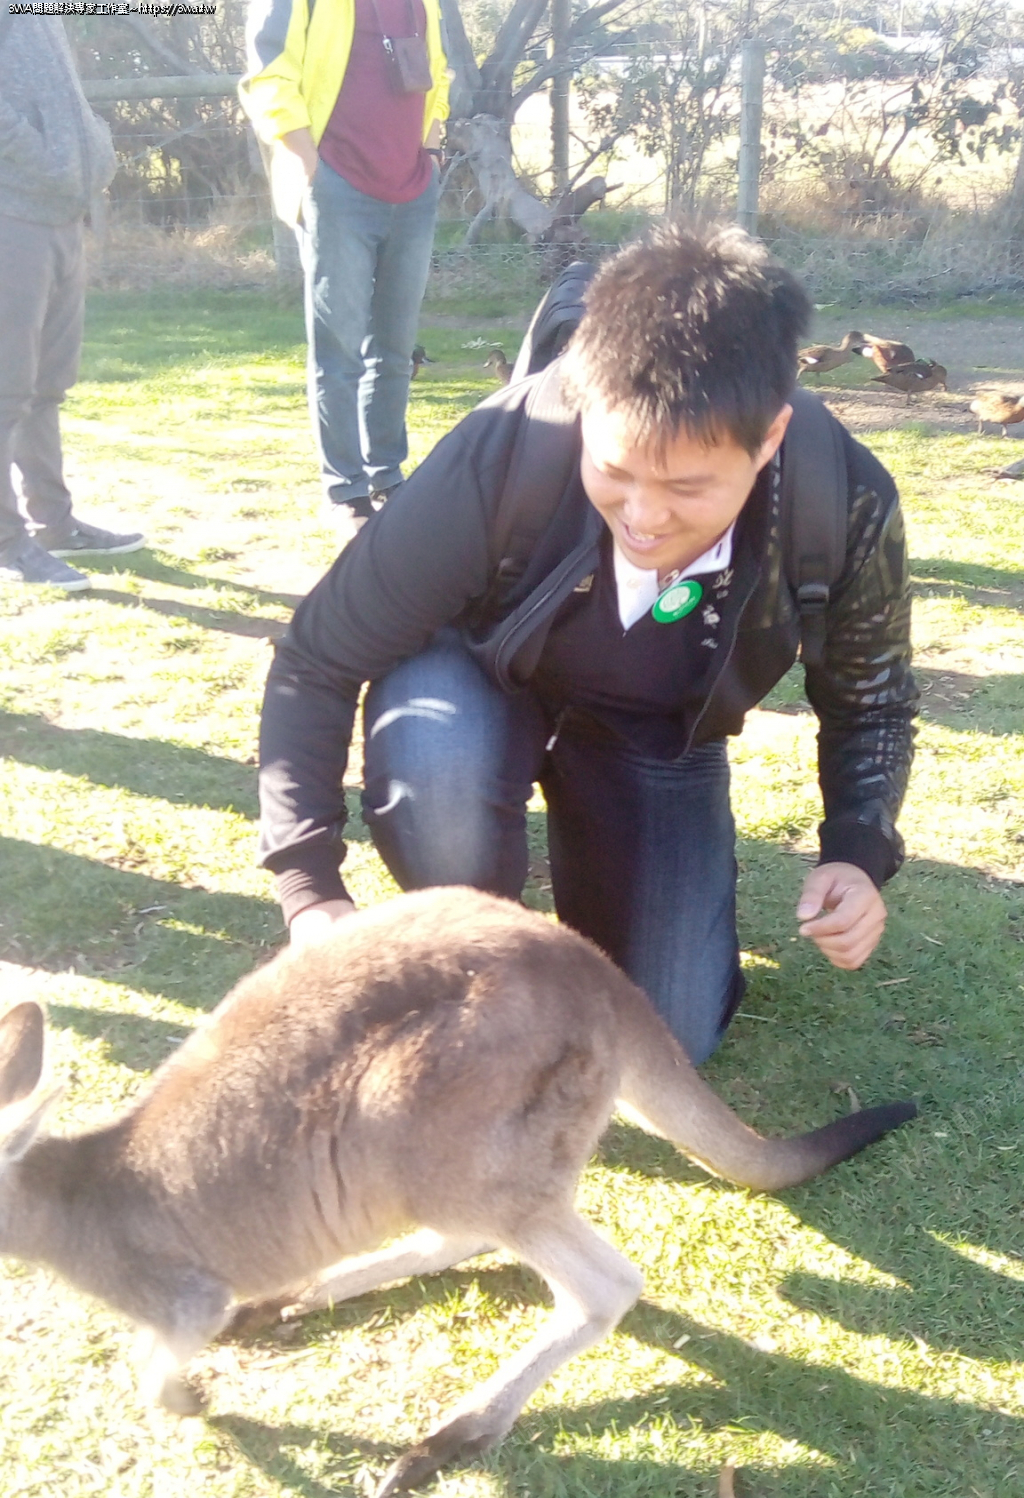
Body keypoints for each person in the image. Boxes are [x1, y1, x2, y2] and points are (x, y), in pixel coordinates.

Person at [257, 223, 917, 1065]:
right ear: (585, 406)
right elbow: (315, 658)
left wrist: (857, 851)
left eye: (687, 486)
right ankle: (479, 953)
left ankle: (608, 851)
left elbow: (874, 700)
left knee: (667, 1037)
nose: (644, 517)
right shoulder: (505, 449)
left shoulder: (843, 497)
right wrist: (310, 888)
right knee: (439, 775)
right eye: (616, 470)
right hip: (480, 676)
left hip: (656, 729)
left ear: (769, 438)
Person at [241, 0, 449, 544]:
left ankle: (389, 477)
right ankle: (346, 490)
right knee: (339, 353)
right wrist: (311, 165)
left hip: (412, 190)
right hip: (337, 190)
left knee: (396, 351)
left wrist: (431, 151)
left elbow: (436, 71)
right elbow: (269, 75)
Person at [0, 2, 145, 594]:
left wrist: (90, 143)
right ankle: (7, 544)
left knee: (45, 387)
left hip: (58, 213)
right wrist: (42, 159)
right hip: (12, 212)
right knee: (6, 389)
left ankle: (54, 525)